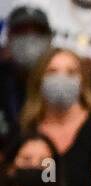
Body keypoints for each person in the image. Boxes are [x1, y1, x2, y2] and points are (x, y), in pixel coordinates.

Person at [20, 46, 91, 186]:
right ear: (38, 80)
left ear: (83, 82)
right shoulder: (26, 131)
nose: (61, 79)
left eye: (71, 73)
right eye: (52, 72)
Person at [0, 6, 54, 145]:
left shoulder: (58, 77)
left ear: (49, 38)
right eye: (22, 31)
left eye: (38, 31)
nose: (30, 37)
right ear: (9, 36)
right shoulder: (3, 76)